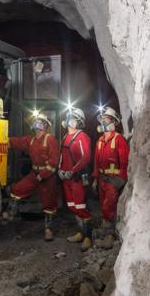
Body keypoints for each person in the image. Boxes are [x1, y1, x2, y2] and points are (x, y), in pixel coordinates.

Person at [3, 113, 59, 241]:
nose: (37, 123)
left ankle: (48, 229)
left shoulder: (50, 140)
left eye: (40, 121)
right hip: (34, 174)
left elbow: (54, 162)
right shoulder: (31, 139)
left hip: (48, 177)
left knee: (49, 202)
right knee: (17, 189)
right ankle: (10, 213)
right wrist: (4, 139)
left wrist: (43, 175)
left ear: (45, 125)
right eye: (36, 120)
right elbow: (18, 142)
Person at [92, 106, 129, 249]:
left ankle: (110, 236)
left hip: (113, 180)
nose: (103, 122)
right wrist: (95, 179)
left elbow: (125, 162)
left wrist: (120, 180)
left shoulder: (118, 139)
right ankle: (106, 230)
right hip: (102, 179)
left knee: (109, 207)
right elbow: (96, 162)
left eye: (106, 119)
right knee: (103, 205)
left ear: (113, 122)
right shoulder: (100, 141)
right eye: (102, 119)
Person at [58, 107, 93, 251]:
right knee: (72, 206)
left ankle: (88, 237)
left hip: (76, 178)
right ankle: (81, 232)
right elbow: (62, 156)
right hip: (66, 177)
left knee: (80, 206)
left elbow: (86, 158)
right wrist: (59, 169)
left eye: (73, 118)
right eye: (69, 117)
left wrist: (72, 171)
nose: (70, 121)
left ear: (79, 122)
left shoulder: (82, 137)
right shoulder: (66, 137)